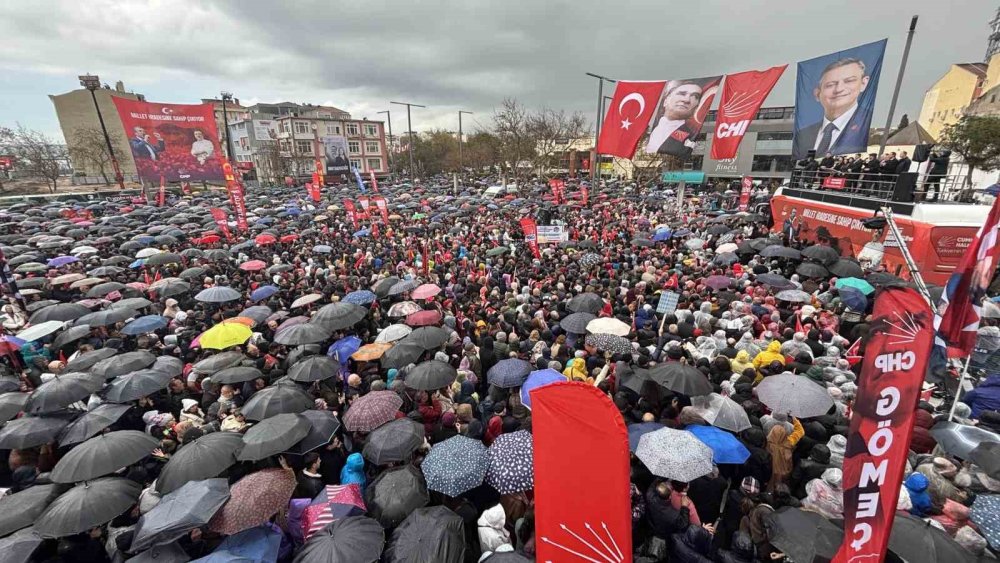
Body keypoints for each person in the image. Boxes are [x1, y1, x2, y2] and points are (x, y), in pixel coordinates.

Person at [793, 58, 873, 158]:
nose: (839, 89)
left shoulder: (866, 124)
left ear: (863, 83)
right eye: (830, 85)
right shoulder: (803, 134)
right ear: (817, 93)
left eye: (849, 81)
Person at [645, 80, 706, 157]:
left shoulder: (691, 137)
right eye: (682, 93)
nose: (686, 100)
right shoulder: (647, 127)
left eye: (695, 97)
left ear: (696, 108)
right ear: (666, 101)